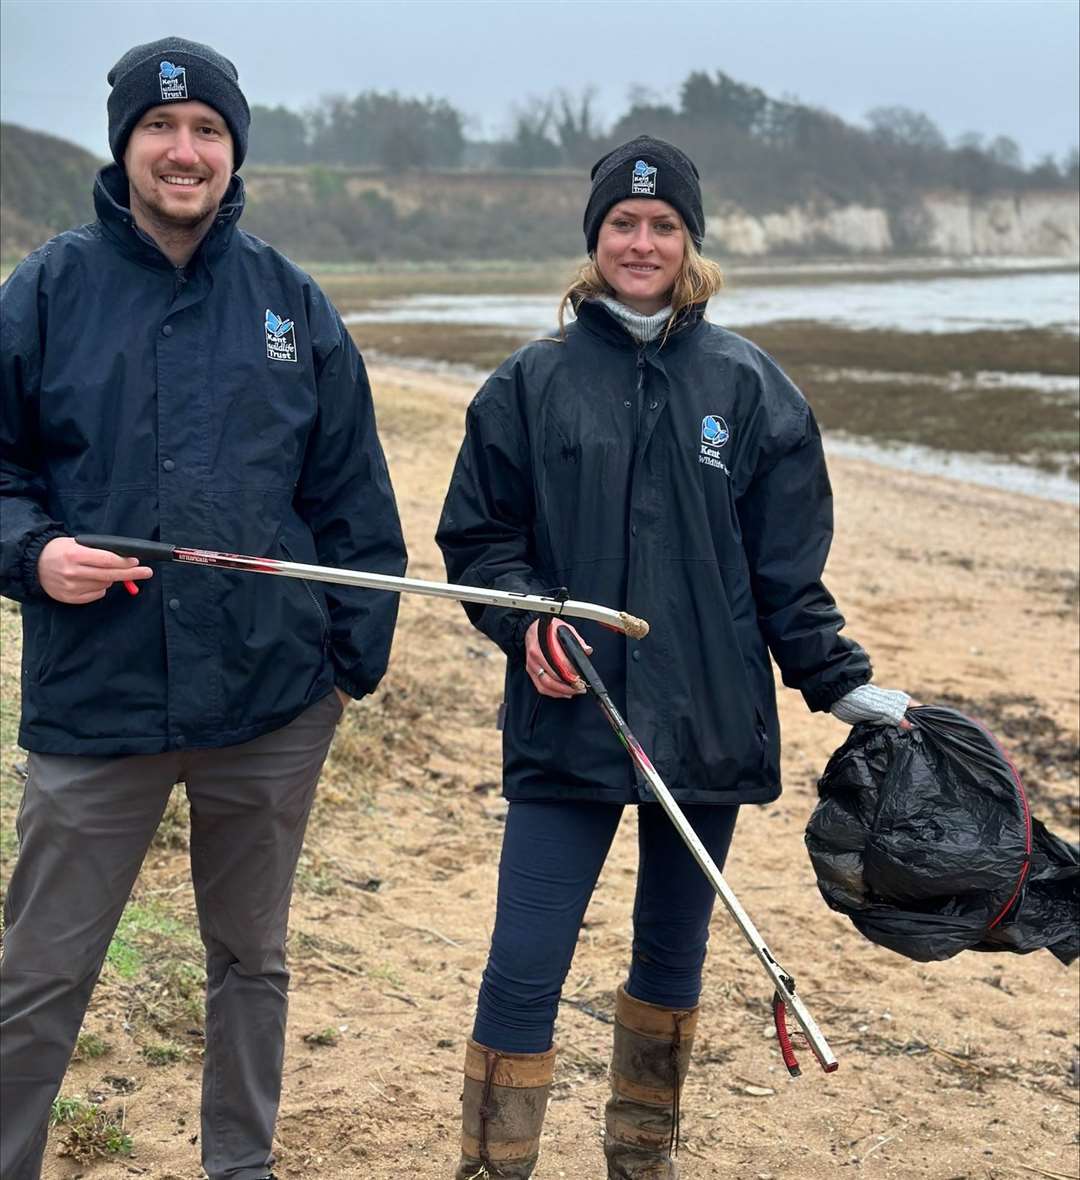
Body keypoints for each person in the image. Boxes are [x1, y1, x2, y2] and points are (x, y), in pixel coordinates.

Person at [435, 135, 910, 1180]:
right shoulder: (529, 383)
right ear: (594, 238)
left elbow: (786, 574)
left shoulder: (751, 389)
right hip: (572, 714)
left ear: (690, 240)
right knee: (523, 963)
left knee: (670, 956)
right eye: (622, 224)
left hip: (703, 724)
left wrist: (840, 680)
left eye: (662, 225)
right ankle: (491, 1166)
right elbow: (478, 543)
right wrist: (526, 623)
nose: (641, 241)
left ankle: (639, 1158)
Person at [0, 37, 405, 1180]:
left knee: (250, 958)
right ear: (125, 144)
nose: (185, 152)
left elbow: (352, 498)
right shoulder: (45, 291)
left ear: (235, 150)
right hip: (98, 697)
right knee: (41, 971)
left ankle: (242, 1164)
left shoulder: (290, 303)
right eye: (162, 130)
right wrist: (32, 556)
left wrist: (344, 667)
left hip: (269, 705)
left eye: (209, 132)